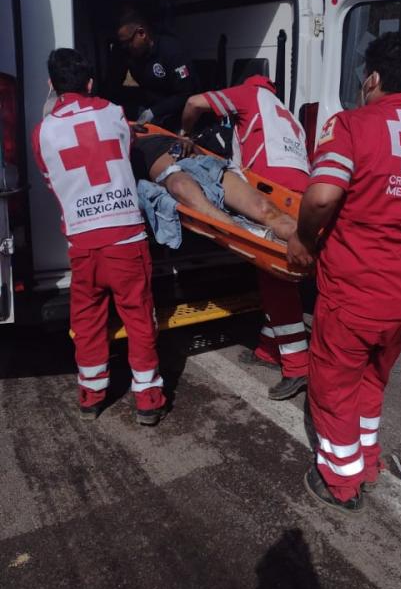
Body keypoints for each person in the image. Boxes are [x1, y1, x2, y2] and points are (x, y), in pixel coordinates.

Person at [286, 32, 401, 514]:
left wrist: (304, 241)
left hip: (354, 293)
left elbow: (323, 196)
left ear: (373, 78)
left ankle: (340, 481)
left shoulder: (350, 125)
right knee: (372, 380)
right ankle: (367, 459)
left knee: (333, 386)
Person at [32, 48, 166, 426]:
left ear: (51, 86)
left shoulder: (42, 134)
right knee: (139, 318)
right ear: (91, 83)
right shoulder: (113, 113)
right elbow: (125, 152)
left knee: (88, 321)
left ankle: (91, 396)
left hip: (83, 244)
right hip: (126, 240)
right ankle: (148, 400)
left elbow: (51, 180)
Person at [181, 75, 310, 401]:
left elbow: (194, 102)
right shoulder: (287, 114)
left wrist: (184, 133)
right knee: (270, 271)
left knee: (276, 278)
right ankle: (269, 348)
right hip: (299, 194)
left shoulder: (250, 95)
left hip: (272, 193)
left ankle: (297, 366)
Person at [130, 130, 296, 242]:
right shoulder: (125, 153)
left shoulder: (151, 136)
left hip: (206, 165)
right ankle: (251, 237)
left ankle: (305, 240)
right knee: (179, 185)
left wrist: (187, 141)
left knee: (264, 208)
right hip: (171, 174)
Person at [103, 9, 196, 131]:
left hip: (174, 111)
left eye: (127, 43)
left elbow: (186, 93)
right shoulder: (128, 53)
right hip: (147, 104)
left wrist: (154, 112)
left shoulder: (171, 50)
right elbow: (114, 85)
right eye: (122, 44)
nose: (125, 48)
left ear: (141, 33)